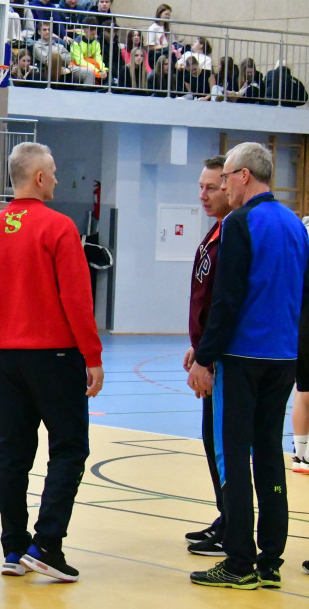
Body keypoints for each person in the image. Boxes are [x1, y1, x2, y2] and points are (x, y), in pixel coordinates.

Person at [0, 141, 104, 583]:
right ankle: (47, 544)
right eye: (55, 173)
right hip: (55, 357)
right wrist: (92, 355)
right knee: (69, 449)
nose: (58, 180)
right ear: (39, 178)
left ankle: (14, 547)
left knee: (13, 456)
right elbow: (77, 299)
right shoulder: (59, 228)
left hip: (6, 359)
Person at [187, 142, 309, 590]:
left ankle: (238, 561)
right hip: (283, 359)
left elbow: (228, 297)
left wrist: (205, 356)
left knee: (234, 457)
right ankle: (271, 560)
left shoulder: (241, 223)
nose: (222, 188)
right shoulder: (297, 225)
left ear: (242, 176)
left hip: (243, 357)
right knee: (270, 457)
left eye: (225, 179)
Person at [180, 155, 232, 558]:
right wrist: (198, 344)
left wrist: (209, 354)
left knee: (224, 446)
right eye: (200, 187)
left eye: (211, 187)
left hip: (226, 360)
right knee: (211, 441)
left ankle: (235, 525)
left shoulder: (234, 236)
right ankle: (226, 516)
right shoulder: (215, 234)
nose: (203, 194)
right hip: (209, 352)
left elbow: (227, 304)